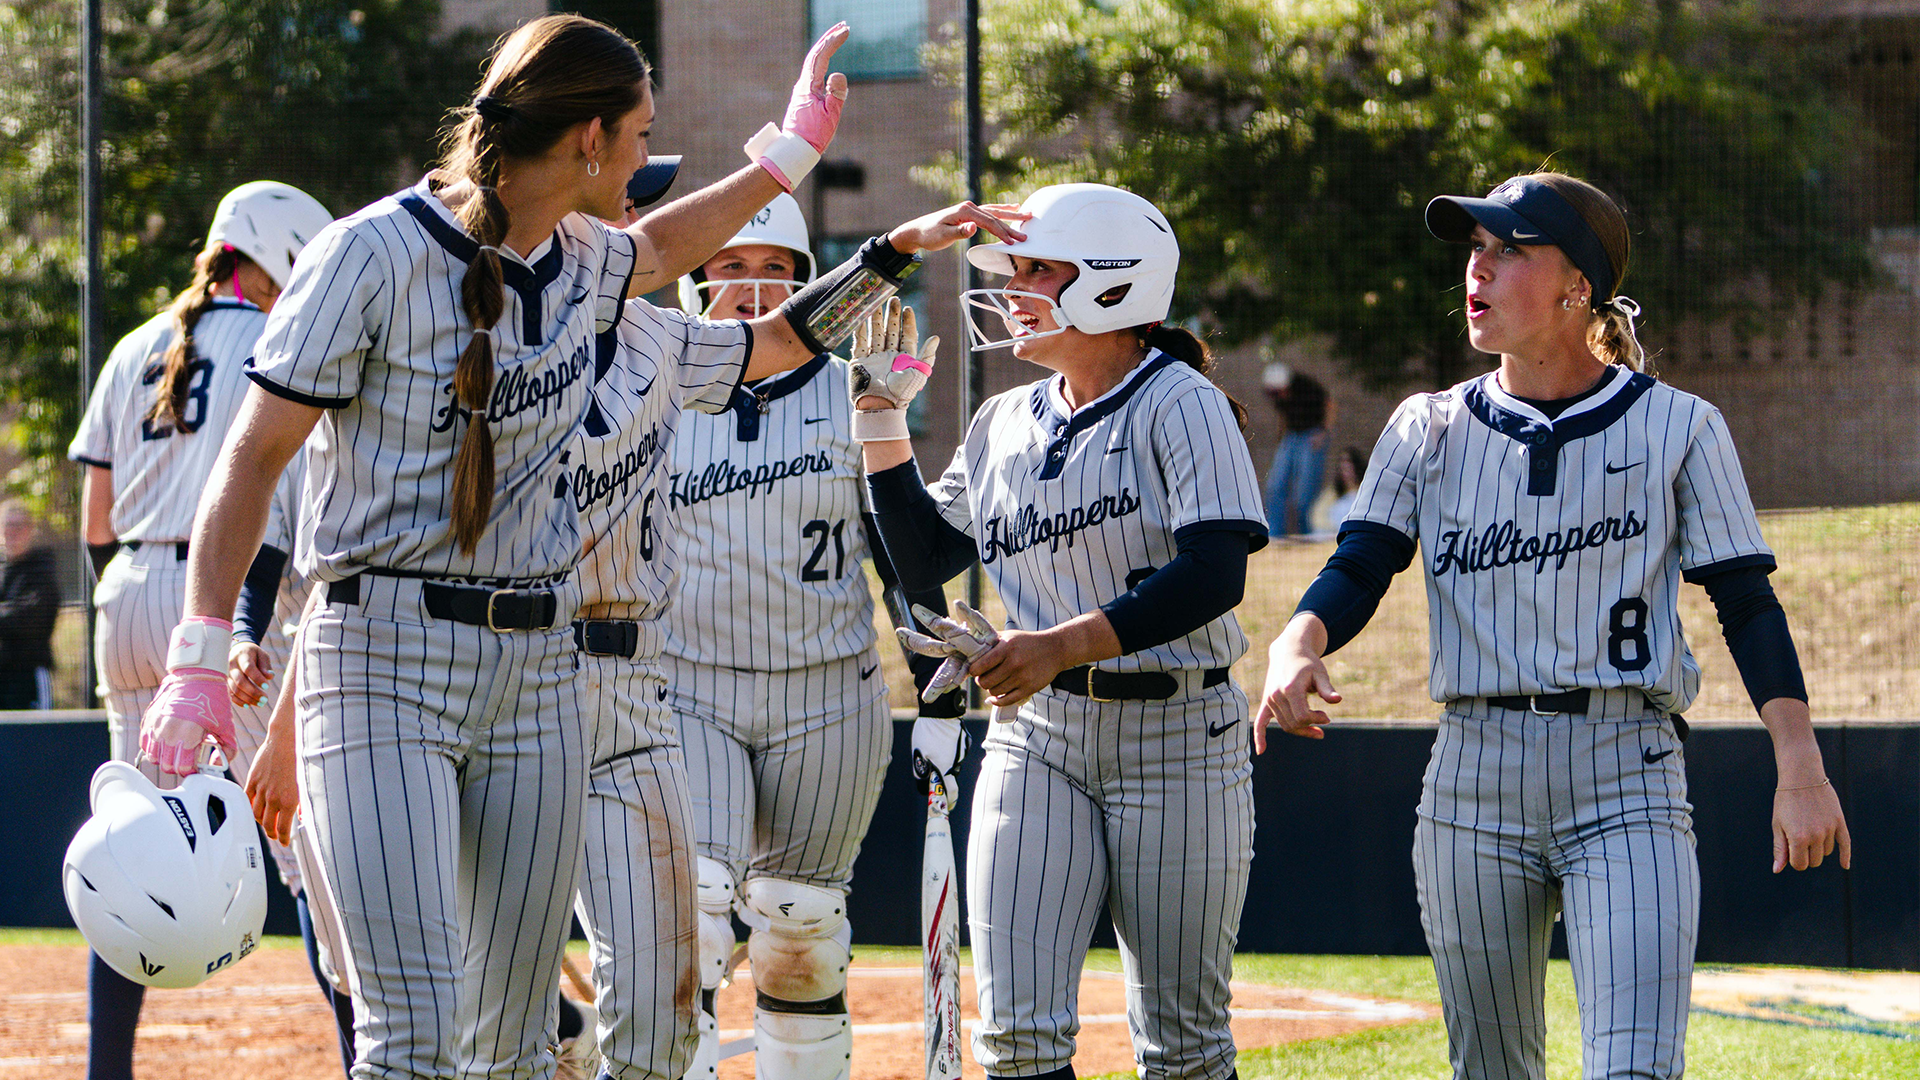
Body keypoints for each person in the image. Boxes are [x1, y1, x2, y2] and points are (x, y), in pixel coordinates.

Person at [134, 15, 862, 1078]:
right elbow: (251, 461)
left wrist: (788, 154)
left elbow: (667, 247)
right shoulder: (369, 253)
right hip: (379, 660)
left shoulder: (582, 258)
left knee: (517, 1044)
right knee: (414, 1040)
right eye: (639, 134)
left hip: (536, 672)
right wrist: (198, 658)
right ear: (588, 140)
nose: (644, 157)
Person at [1254, 171, 1852, 1080]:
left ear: (1578, 284)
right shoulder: (1426, 427)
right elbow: (1362, 563)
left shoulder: (1680, 425)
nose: (1477, 268)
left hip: (1627, 775)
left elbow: (1746, 603)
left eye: (1508, 249)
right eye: (1475, 248)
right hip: (1472, 777)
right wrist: (1298, 639)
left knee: (1634, 1066)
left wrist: (1800, 766)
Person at [860, 184, 1269, 1080]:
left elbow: (1215, 570)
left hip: (1180, 737)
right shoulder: (1002, 418)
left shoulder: (1181, 400)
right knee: (1016, 1040)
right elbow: (922, 555)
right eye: (1014, 270)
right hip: (1036, 736)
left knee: (1186, 1046)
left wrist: (1058, 646)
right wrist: (881, 419)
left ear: (1116, 282)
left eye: (1037, 269)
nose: (1012, 289)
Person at [665, 195, 969, 1080]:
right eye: (731, 267)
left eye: (776, 270)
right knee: (693, 914)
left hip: (828, 691)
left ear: (809, 284)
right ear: (695, 279)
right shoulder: (658, 389)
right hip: (687, 685)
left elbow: (898, 549)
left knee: (802, 932)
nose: (754, 287)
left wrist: (937, 692)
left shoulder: (854, 389)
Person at [67, 178, 333, 1080]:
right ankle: (362, 1055)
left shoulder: (133, 346)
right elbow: (278, 504)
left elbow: (94, 517)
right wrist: (227, 625)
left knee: (132, 842)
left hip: (126, 596)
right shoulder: (277, 339)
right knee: (301, 845)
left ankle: (107, 1072)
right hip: (222, 600)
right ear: (282, 257)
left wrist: (135, 611)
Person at [1261, 359, 1333, 538]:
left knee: (1305, 490)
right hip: (1292, 436)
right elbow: (1283, 414)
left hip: (1311, 435)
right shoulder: (1277, 395)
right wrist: (1281, 437)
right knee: (1275, 485)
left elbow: (1329, 404)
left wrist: (1323, 432)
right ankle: (1275, 533)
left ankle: (1308, 532)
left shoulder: (1305, 386)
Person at [0, 500, 61, 709]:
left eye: (19, 525)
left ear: (30, 530)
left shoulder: (41, 570)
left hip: (28, 676)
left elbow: (30, 618)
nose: (13, 532)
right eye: (8, 525)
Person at [1319, 445, 1368, 539]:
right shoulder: (1333, 492)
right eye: (1343, 469)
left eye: (1349, 468)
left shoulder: (1365, 489)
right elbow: (1318, 516)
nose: (1346, 473)